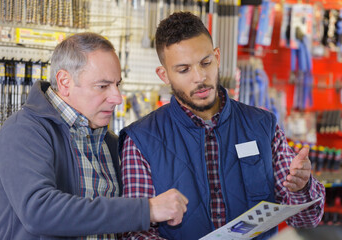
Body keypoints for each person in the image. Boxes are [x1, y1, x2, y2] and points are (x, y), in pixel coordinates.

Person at [119, 12, 326, 240]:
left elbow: (307, 219)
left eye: (205, 63)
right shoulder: (140, 140)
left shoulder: (263, 126)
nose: (200, 77)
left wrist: (302, 186)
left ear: (217, 56)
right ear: (164, 75)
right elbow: (135, 231)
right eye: (184, 69)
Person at [0, 32, 188, 240]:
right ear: (65, 82)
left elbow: (110, 223)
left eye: (117, 84)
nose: (117, 98)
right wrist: (146, 210)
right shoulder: (24, 131)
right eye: (102, 86)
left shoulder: (108, 141)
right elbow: (39, 210)